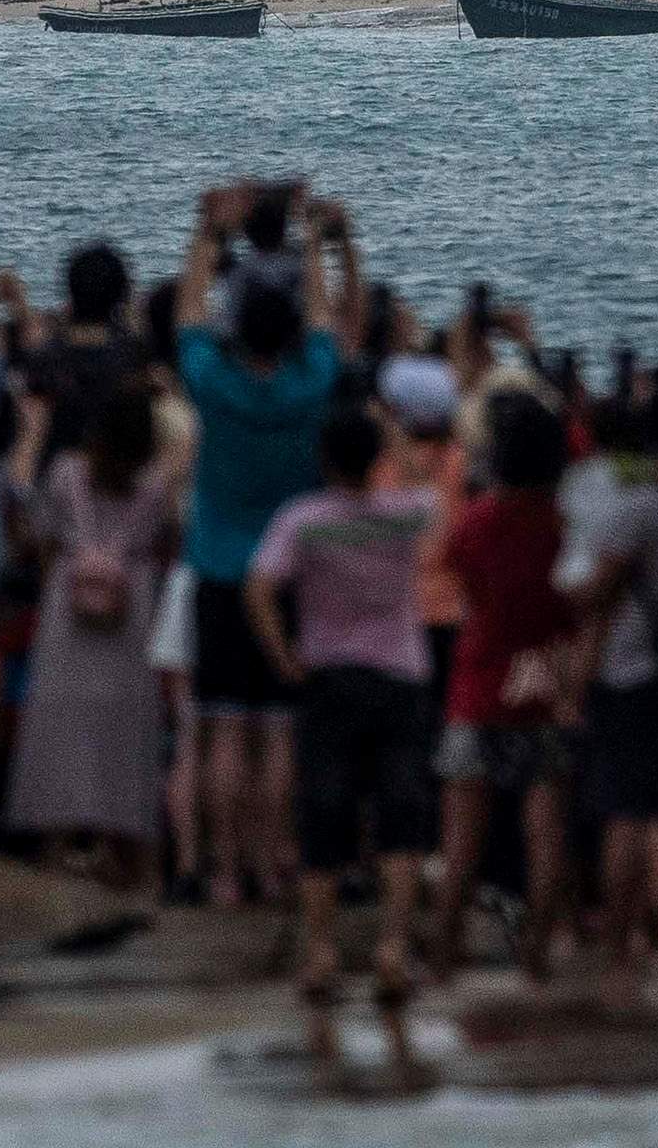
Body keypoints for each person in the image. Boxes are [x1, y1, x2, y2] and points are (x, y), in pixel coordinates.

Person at [173, 182, 359, 915]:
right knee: (281, 733)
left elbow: (188, 313)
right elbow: (325, 320)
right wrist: (315, 240)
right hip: (288, 572)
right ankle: (279, 862)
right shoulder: (312, 384)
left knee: (220, 726)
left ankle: (223, 870)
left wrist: (208, 234)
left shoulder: (212, 382)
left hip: (218, 565)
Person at [248, 401, 443, 1032]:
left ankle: (323, 952)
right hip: (398, 675)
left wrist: (284, 658)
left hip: (328, 677)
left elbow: (258, 588)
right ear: (376, 459)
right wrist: (394, 436)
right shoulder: (405, 515)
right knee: (402, 813)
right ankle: (391, 947)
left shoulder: (304, 520)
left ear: (325, 459)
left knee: (324, 810)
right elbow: (424, 484)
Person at [431, 392, 581, 980]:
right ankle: (537, 955)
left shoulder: (479, 520)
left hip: (478, 684)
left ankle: (442, 955)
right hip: (542, 685)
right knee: (545, 835)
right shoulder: (563, 523)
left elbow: (459, 572)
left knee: (461, 840)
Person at [557, 377, 658, 977]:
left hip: (634, 667)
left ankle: (622, 946)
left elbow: (597, 594)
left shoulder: (642, 504)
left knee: (629, 816)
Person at [2, 378, 173, 873]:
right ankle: (130, 861)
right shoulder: (155, 486)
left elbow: (37, 538)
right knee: (124, 734)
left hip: (67, 611)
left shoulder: (65, 472)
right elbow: (166, 544)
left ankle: (52, 851)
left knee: (59, 728)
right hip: (131, 617)